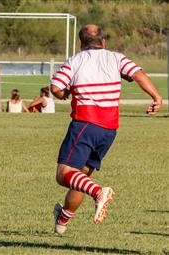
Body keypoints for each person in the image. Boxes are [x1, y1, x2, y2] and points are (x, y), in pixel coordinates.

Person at [50, 24, 162, 235]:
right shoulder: (117, 58)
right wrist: (156, 97)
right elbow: (139, 75)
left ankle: (99, 192)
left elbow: (55, 87)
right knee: (80, 177)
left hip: (85, 124)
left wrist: (64, 94)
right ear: (103, 41)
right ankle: (62, 221)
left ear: (81, 43)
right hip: (109, 130)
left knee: (63, 173)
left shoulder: (75, 60)